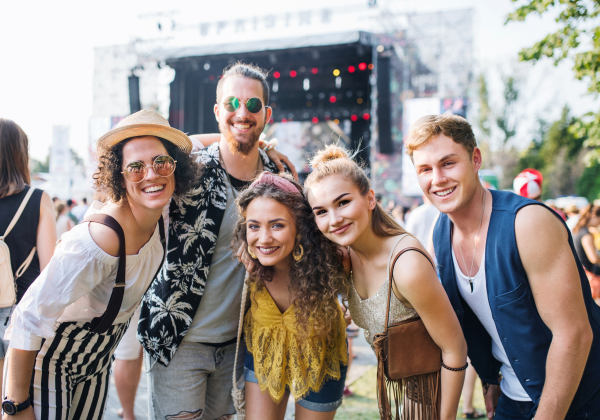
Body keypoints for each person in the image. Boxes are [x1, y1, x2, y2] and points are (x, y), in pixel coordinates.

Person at [2, 109, 201, 419]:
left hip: (98, 361)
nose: (151, 174)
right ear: (119, 175)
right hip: (51, 362)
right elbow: (27, 316)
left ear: (176, 167)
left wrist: (264, 146)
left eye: (161, 162)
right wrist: (16, 406)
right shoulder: (99, 239)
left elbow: (199, 145)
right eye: (135, 167)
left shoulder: (158, 211)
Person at [408, 114, 600, 419]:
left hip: (580, 398)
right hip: (511, 397)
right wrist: (491, 379)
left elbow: (574, 334)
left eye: (448, 163)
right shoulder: (440, 233)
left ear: (475, 159)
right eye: (425, 169)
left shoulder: (527, 223)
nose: (437, 179)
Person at [138, 63, 293, 420]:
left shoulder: (277, 181)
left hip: (237, 345)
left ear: (266, 114)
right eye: (232, 103)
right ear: (217, 111)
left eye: (253, 106)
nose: (243, 113)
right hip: (178, 342)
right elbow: (155, 154)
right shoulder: (189, 168)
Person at [304, 145, 468, 420]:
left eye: (343, 202)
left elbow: (455, 349)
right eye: (321, 211)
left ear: (369, 199)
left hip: (428, 399)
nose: (334, 220)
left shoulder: (406, 265)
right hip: (400, 397)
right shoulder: (346, 256)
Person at [233, 172, 349, 420]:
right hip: (265, 352)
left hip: (322, 356)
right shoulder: (250, 263)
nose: (264, 238)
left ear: (300, 228)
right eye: (254, 226)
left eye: (277, 225)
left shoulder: (333, 258)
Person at [0, 118, 56, 401]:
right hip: (19, 317)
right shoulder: (37, 199)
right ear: (20, 153)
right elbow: (50, 273)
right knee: (13, 400)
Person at [572, 204, 600, 306]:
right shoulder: (586, 233)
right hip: (589, 275)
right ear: (593, 215)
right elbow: (593, 258)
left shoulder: (577, 230)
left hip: (582, 273)